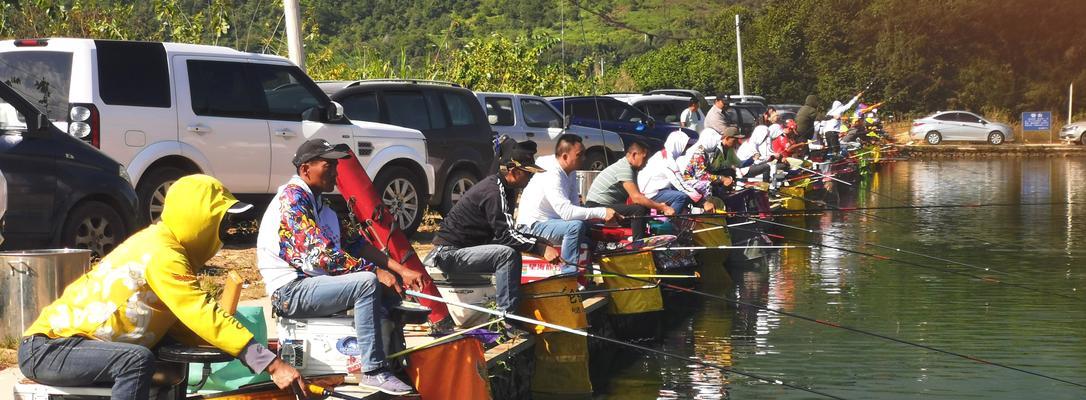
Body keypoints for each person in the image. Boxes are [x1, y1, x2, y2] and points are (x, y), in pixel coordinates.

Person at [19, 175, 304, 400]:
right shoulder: (162, 252)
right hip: (50, 349)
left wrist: (235, 348)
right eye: (221, 221)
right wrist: (269, 364)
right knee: (135, 360)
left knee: (164, 357)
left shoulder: (167, 248)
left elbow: (183, 323)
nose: (225, 231)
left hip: (71, 347)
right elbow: (198, 311)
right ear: (199, 220)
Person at [256, 139, 417, 395]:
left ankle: (394, 359)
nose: (334, 171)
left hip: (312, 286)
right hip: (290, 291)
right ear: (306, 169)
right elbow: (323, 256)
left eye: (335, 165)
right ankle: (373, 371)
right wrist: (376, 273)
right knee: (366, 282)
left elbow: (356, 245)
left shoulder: (322, 205)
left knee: (388, 288)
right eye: (327, 165)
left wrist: (401, 270)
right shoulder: (292, 200)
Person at [429, 138, 562, 335]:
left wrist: (539, 241)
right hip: (448, 254)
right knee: (507, 255)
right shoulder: (493, 190)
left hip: (464, 251)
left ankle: (509, 315)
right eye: (528, 173)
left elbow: (504, 233)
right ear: (512, 170)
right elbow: (506, 236)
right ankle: (509, 322)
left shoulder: (504, 188)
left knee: (509, 251)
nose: (531, 178)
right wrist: (541, 249)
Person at [516, 134, 617, 269]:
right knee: (576, 227)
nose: (584, 158)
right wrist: (602, 212)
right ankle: (569, 275)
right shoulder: (551, 173)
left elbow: (575, 207)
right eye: (579, 155)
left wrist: (598, 219)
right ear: (565, 156)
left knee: (590, 228)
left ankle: (590, 275)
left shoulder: (571, 171)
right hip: (532, 227)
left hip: (552, 223)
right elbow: (567, 213)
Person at [584, 139, 674, 241]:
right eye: (645, 159)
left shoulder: (630, 169)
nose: (646, 163)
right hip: (596, 206)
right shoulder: (624, 168)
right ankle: (638, 244)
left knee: (643, 209)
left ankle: (640, 238)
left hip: (604, 205)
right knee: (638, 209)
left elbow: (639, 197)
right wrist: (663, 207)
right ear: (634, 154)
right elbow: (636, 198)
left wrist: (657, 205)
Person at [638, 131, 701, 212]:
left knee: (689, 194)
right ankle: (669, 222)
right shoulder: (668, 160)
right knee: (681, 197)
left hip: (654, 190)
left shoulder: (663, 154)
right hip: (651, 194)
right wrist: (701, 200)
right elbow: (680, 184)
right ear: (678, 145)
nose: (686, 148)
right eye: (686, 145)